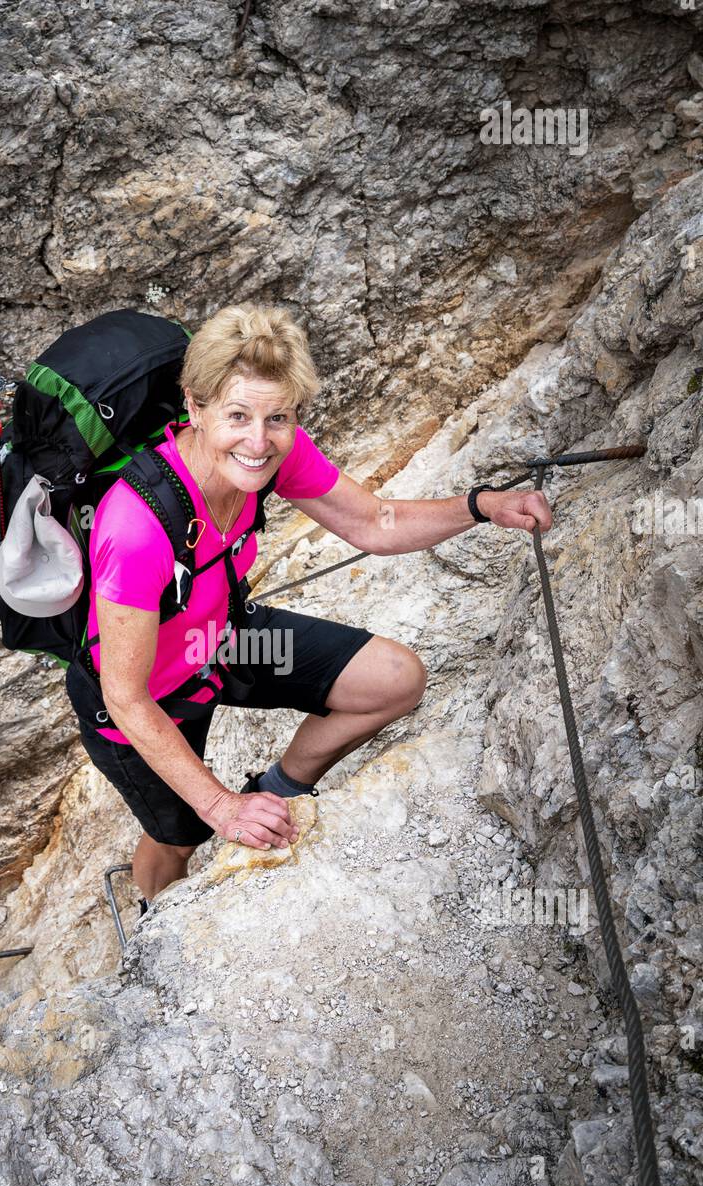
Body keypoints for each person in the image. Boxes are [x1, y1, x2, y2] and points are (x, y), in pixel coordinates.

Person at [64, 302, 552, 906]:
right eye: (237, 415)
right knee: (179, 835)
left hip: (222, 641)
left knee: (394, 680)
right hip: (146, 699)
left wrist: (480, 507)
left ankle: (280, 789)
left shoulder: (274, 455)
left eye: (279, 418)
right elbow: (126, 696)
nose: (258, 440)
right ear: (194, 406)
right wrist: (221, 806)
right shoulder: (136, 526)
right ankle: (155, 922)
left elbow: (375, 523)